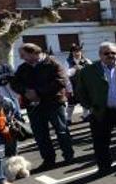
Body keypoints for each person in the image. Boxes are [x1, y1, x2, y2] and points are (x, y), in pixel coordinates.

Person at [75, 42, 116, 175]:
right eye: (106, 53)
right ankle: (104, 166)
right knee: (101, 142)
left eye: (113, 53)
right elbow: (80, 92)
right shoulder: (88, 71)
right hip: (101, 112)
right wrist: (90, 106)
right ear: (100, 55)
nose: (110, 55)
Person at [10, 43, 75, 172]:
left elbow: (61, 80)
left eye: (23, 55)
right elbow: (15, 83)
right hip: (34, 106)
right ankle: (48, 160)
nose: (21, 58)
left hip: (54, 103)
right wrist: (26, 91)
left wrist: (38, 92)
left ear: (34, 53)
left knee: (61, 130)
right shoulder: (23, 68)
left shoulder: (52, 63)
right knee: (40, 134)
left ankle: (68, 156)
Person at [65, 44, 92, 124]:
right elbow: (65, 74)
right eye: (75, 52)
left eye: (78, 51)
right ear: (72, 53)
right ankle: (68, 119)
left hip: (84, 85)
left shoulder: (87, 61)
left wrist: (84, 69)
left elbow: (92, 72)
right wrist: (74, 69)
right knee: (71, 103)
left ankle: (85, 116)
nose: (77, 53)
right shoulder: (68, 61)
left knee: (85, 101)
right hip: (73, 85)